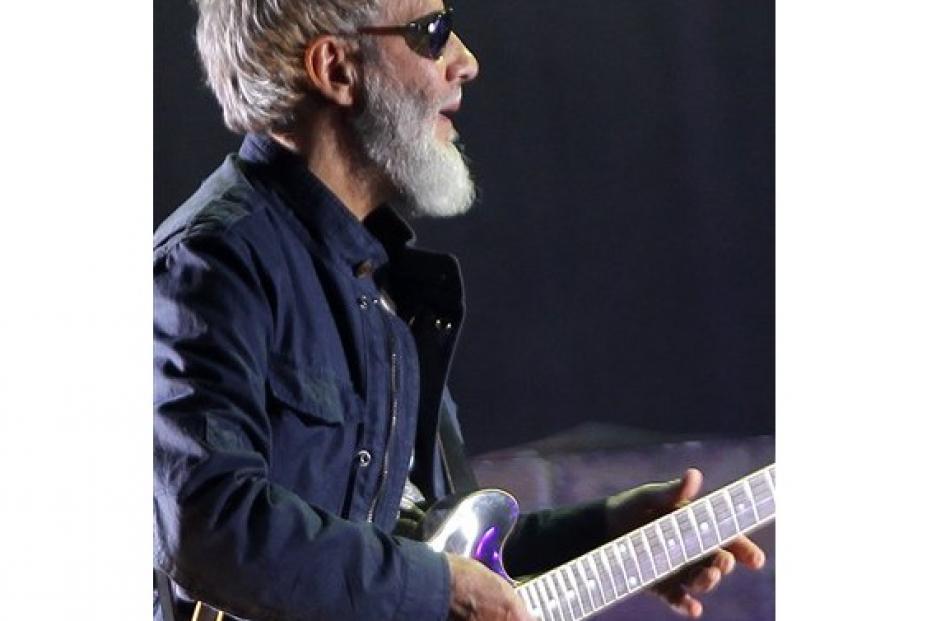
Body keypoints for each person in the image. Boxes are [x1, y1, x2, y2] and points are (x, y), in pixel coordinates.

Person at [153, 1, 767, 619]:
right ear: (335, 69)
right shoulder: (209, 264)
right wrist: (440, 589)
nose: (466, 62)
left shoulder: (388, 284)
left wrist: (608, 530)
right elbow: (207, 524)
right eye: (432, 33)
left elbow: (432, 547)